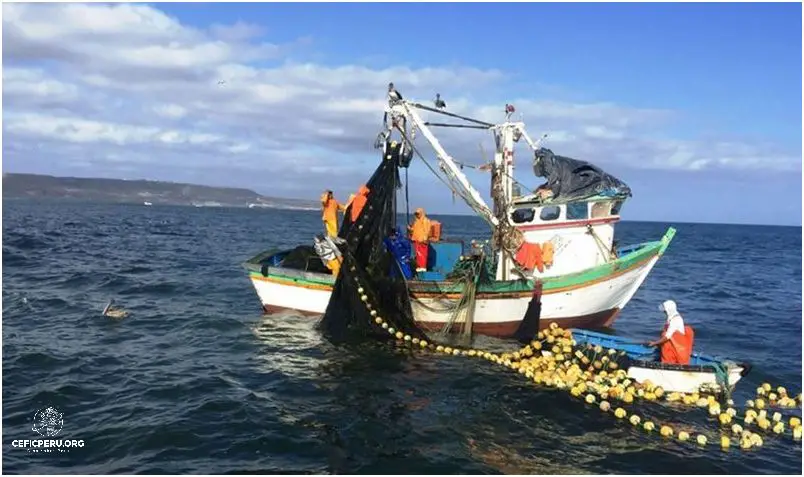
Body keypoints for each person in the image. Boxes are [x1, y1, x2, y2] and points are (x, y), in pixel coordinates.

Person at [646, 300, 695, 365]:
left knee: (666, 345)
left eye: (665, 310)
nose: (664, 312)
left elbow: (667, 337)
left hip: (677, 350)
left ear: (669, 310)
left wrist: (655, 343)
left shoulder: (675, 320)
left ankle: (668, 363)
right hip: (674, 346)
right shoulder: (672, 317)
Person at [408, 207, 431, 273]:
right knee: (418, 254)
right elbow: (414, 229)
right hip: (417, 240)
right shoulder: (416, 221)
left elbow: (427, 230)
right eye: (416, 214)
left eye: (418, 213)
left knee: (423, 254)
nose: (417, 215)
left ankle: (423, 267)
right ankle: (419, 266)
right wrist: (410, 229)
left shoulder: (426, 221)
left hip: (422, 241)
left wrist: (424, 238)